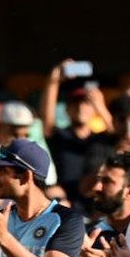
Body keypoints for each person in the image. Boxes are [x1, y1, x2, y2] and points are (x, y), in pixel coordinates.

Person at [41, 62, 116, 205]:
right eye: (76, 103)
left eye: (86, 103)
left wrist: (100, 105)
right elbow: (47, 120)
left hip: (98, 204)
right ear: (67, 109)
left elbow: (116, 133)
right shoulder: (61, 136)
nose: (81, 107)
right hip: (66, 204)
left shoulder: (101, 139)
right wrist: (54, 79)